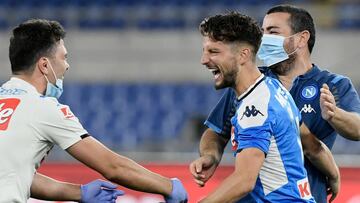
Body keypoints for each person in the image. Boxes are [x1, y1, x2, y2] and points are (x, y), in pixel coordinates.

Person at [0, 19, 188, 203]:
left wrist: (79, 192)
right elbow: (112, 166)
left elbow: (13, 176)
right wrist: (168, 186)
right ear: (44, 65)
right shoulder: (43, 108)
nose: (67, 65)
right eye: (64, 57)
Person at [192, 4, 360, 203]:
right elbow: (216, 131)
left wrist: (335, 114)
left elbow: (245, 180)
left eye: (272, 31)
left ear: (301, 38)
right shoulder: (265, 85)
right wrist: (210, 155)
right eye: (263, 31)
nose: (264, 39)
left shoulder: (329, 85)